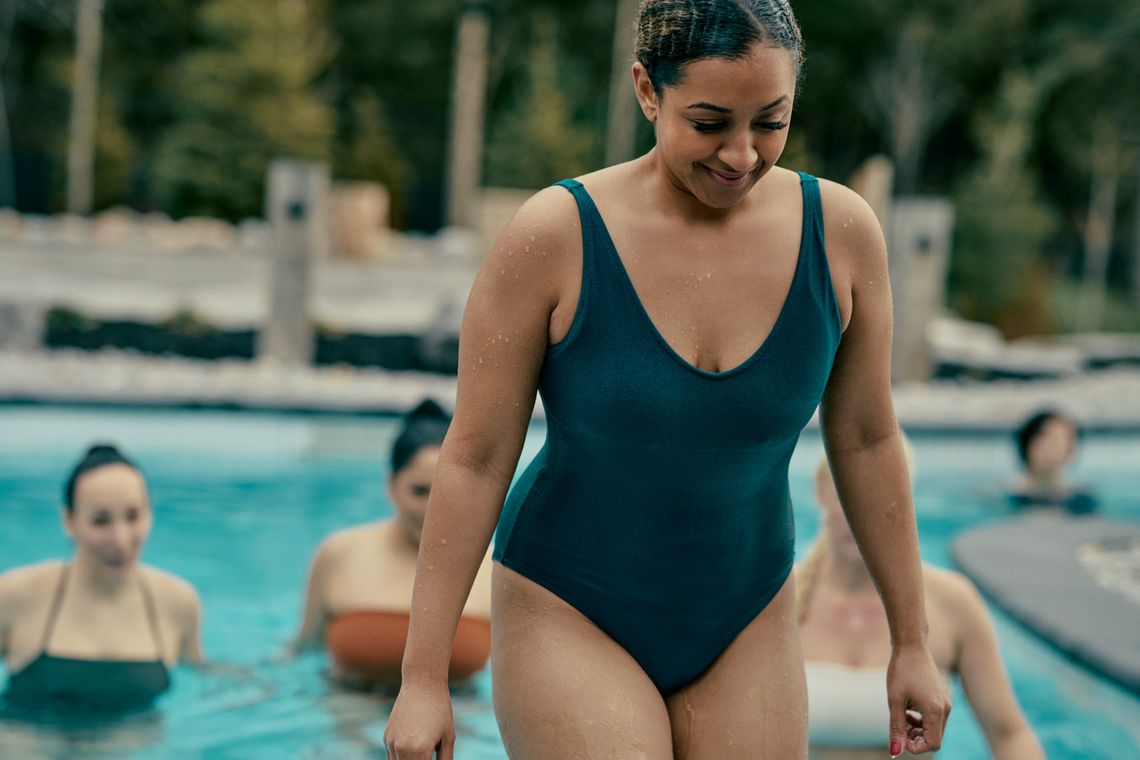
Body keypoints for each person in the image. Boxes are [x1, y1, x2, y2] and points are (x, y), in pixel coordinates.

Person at [384, 1, 950, 757]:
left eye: (770, 122)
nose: (742, 155)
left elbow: (867, 437)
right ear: (648, 91)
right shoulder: (555, 235)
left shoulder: (841, 234)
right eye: (710, 123)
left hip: (746, 607)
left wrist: (910, 641)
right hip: (570, 600)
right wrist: (422, 680)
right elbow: (477, 456)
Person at [798, 452, 1045, 759]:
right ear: (819, 492)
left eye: (881, 495)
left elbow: (1010, 734)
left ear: (905, 501)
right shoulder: (777, 603)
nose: (862, 513)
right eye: (846, 494)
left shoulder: (952, 602)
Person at [292, 400, 493, 689]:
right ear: (391, 485)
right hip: (346, 712)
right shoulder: (340, 553)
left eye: (447, 492)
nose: (434, 510)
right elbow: (305, 647)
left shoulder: (492, 568)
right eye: (420, 491)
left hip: (457, 720)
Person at [0, 444, 203, 715]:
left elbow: (202, 673)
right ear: (69, 521)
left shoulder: (177, 601)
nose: (120, 540)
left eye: (133, 516)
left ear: (150, 515)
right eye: (100, 521)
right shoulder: (17, 594)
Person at [1007, 409, 1097, 514]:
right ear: (1027, 442)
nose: (1058, 448)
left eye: (1066, 440)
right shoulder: (1008, 493)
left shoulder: (1081, 496)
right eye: (1050, 439)